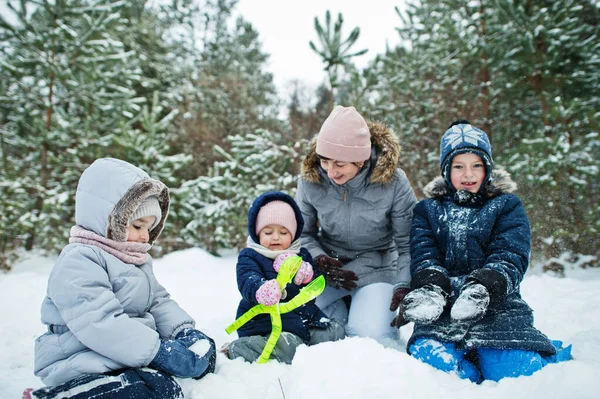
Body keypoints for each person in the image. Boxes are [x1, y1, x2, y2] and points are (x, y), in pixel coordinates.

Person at [400, 120, 572, 382]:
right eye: (459, 166)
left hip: (496, 305)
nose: (468, 175)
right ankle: (470, 360)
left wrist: (485, 285)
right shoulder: (428, 210)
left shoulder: (506, 206)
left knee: (511, 373)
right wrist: (430, 284)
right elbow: (424, 254)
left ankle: (500, 356)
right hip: (443, 309)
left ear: (487, 168)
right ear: (446, 171)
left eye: (476, 166)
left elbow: (510, 254)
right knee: (433, 366)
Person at [31, 158, 216, 399]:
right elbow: (100, 323)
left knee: (163, 386)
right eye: (138, 225)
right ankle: (59, 395)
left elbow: (158, 302)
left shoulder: (135, 259)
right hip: (80, 360)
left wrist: (183, 332)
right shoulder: (79, 260)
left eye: (149, 228)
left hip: (122, 357)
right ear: (109, 219)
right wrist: (159, 352)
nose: (144, 237)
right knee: (147, 391)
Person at [295, 105, 418, 344]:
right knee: (292, 317)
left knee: (370, 339)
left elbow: (409, 244)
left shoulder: (393, 183)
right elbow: (303, 234)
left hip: (377, 267)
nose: (330, 172)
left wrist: (404, 283)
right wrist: (319, 260)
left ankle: (364, 306)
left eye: (339, 164)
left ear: (360, 160)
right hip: (330, 270)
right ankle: (343, 306)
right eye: (325, 161)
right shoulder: (310, 180)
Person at [224, 191, 345, 364]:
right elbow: (247, 279)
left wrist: (307, 275)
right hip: (264, 324)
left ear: (293, 234)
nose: (275, 237)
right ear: (257, 233)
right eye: (267, 232)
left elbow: (315, 287)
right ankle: (241, 348)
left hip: (303, 319)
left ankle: (296, 344)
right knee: (288, 347)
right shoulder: (251, 256)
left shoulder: (301, 254)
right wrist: (261, 289)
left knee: (336, 333)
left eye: (283, 232)